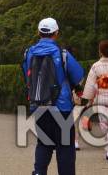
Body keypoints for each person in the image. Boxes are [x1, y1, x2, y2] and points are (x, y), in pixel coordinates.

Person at [23, 17, 85, 175]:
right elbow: (78, 75)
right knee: (65, 146)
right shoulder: (62, 54)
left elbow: (26, 76)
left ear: (38, 32)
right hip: (61, 107)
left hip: (38, 105)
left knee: (44, 143)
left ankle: (39, 172)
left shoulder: (29, 53)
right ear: (56, 33)